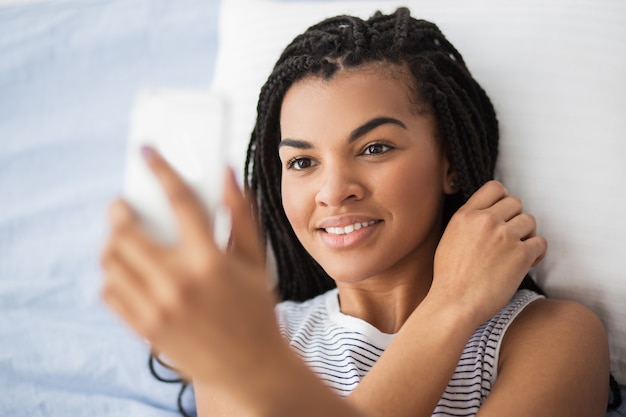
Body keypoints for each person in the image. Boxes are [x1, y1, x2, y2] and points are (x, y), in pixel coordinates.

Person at [101, 8, 620, 417]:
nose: (333, 190)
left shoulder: (553, 336)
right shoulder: (252, 341)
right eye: (302, 161)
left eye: (375, 148)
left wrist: (457, 305)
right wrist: (451, 304)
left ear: (451, 166)